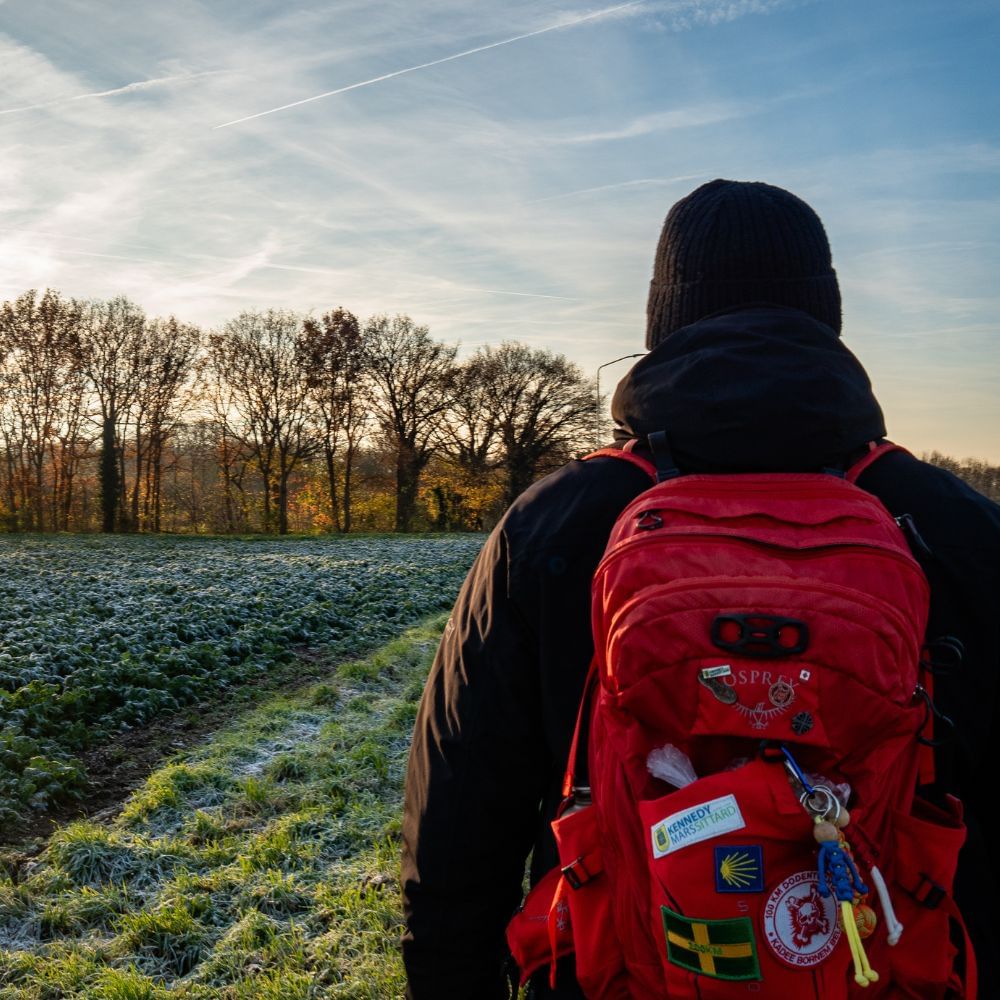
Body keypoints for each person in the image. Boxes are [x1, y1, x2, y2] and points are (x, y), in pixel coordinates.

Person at [401, 179, 999, 998]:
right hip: (888, 966)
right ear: (827, 317)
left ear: (663, 320)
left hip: (613, 970)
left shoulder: (560, 522)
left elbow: (460, 820)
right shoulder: (955, 526)